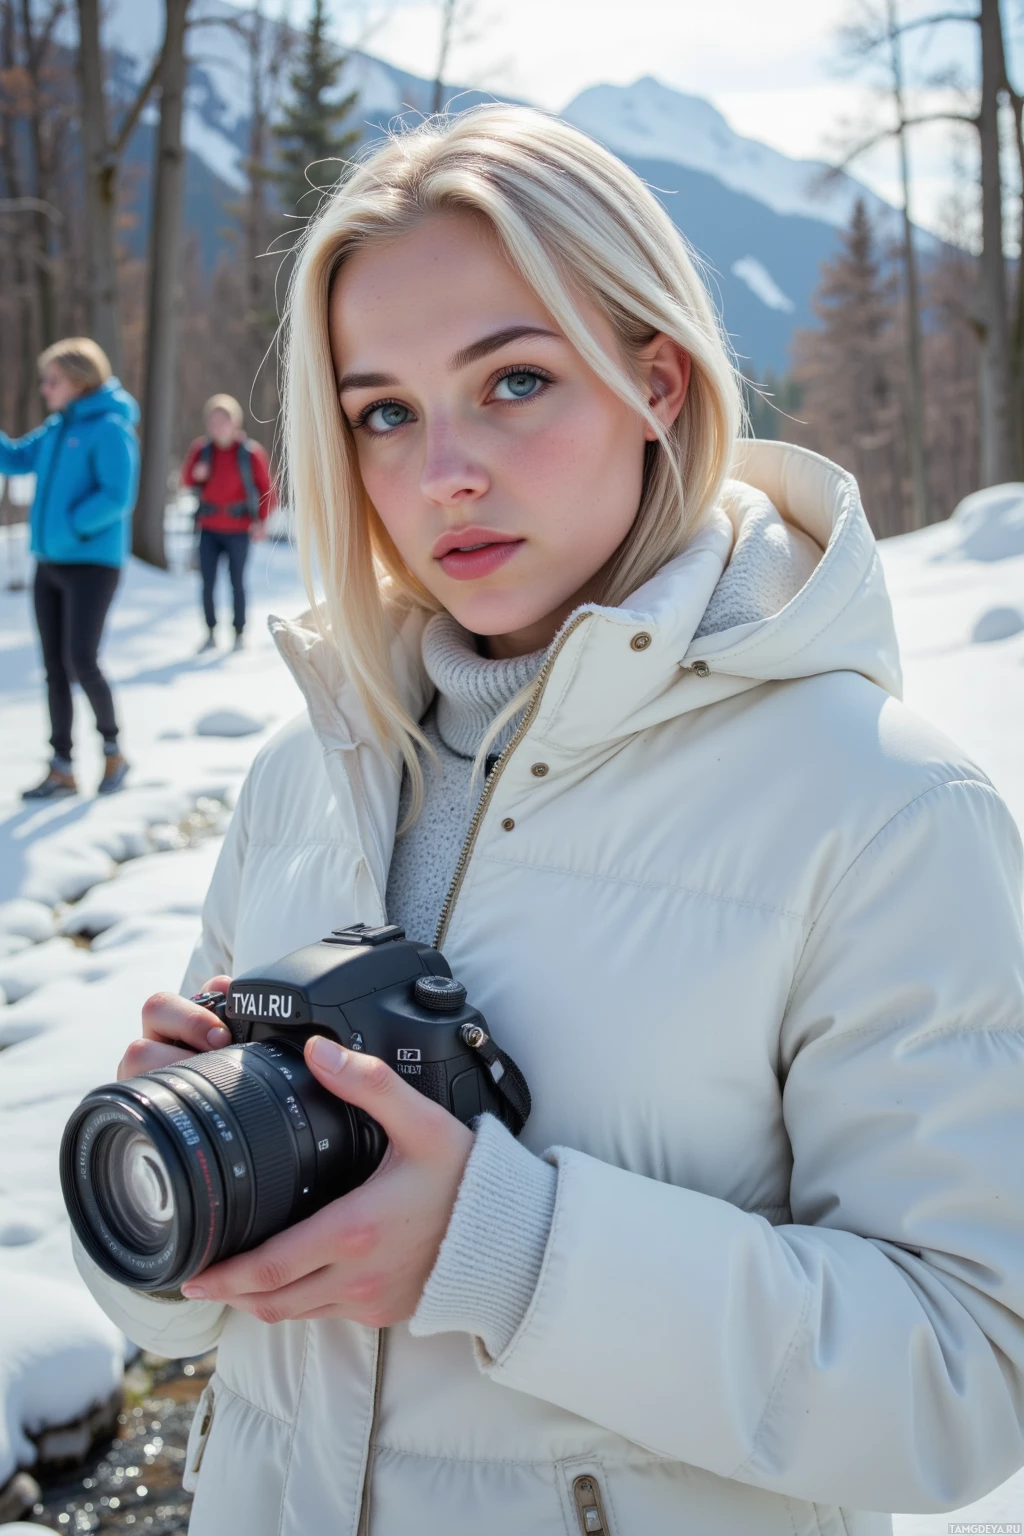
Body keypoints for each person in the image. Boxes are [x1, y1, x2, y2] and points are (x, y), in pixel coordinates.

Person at [75, 108, 1024, 1536]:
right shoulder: (306, 764)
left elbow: (967, 1378)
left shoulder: (879, 805)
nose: (441, 470)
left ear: (659, 380)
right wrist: (175, 1178)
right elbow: (189, 1334)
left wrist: (502, 1249)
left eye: (513, 381)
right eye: (381, 411)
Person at [0, 337, 139, 799]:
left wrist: (72, 527)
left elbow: (117, 495)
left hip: (92, 566)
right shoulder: (57, 427)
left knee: (82, 660)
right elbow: (16, 458)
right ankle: (61, 767)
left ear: (79, 380)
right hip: (50, 565)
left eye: (52, 380)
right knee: (54, 668)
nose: (44, 389)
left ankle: (114, 753)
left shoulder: (110, 427)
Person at [181, 394, 274, 652]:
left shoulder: (250, 453)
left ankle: (239, 632)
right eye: (214, 420)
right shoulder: (201, 450)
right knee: (207, 582)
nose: (218, 426)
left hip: (238, 530)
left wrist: (262, 522)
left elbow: (267, 490)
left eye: (224, 420)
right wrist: (196, 474)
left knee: (237, 582)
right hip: (209, 529)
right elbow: (186, 481)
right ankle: (210, 632)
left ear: (235, 423)